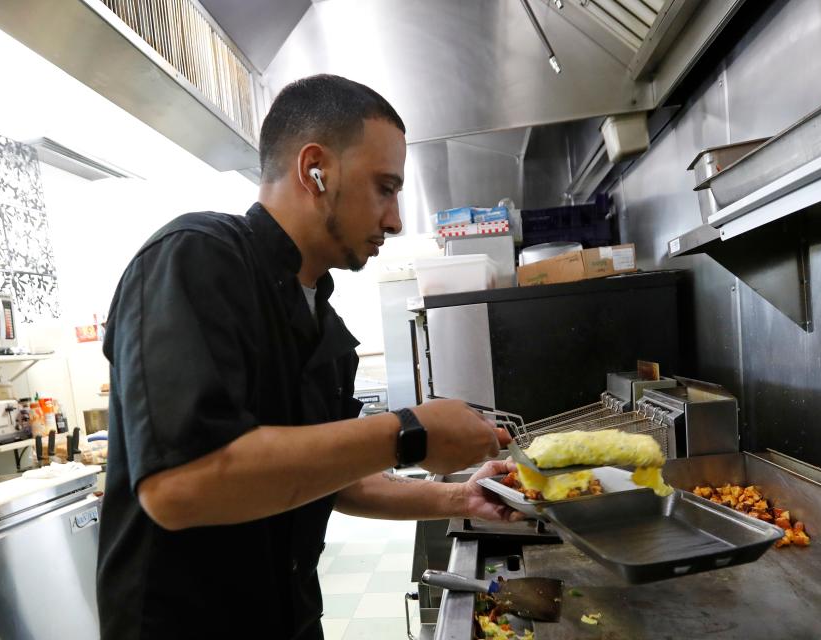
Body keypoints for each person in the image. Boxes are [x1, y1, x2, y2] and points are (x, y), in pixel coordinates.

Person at [97, 74, 519, 639]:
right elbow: (178, 486)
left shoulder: (328, 331)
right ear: (314, 169)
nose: (394, 219)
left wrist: (461, 495)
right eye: (385, 187)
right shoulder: (195, 259)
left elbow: (337, 482)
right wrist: (409, 433)